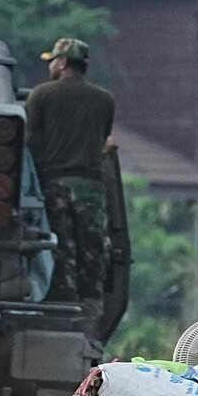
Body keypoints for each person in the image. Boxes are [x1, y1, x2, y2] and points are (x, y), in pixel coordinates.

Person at [26, 37, 115, 315]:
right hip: (91, 187)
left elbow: (30, 141)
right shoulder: (104, 100)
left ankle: (63, 305)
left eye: (52, 61)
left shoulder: (41, 94)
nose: (50, 66)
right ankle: (90, 306)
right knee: (92, 248)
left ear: (62, 62)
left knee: (60, 247)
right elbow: (102, 142)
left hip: (55, 184)